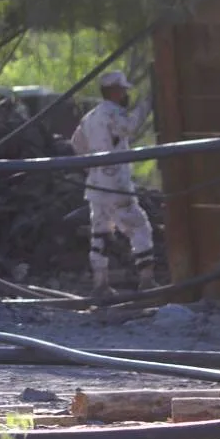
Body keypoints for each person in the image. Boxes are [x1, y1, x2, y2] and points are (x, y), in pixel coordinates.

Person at [70, 71, 155, 295]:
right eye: (123, 90)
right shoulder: (113, 114)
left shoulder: (89, 117)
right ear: (115, 91)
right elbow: (130, 126)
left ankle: (101, 284)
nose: (126, 94)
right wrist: (148, 103)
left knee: (100, 232)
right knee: (139, 226)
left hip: (95, 187)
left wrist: (92, 165)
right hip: (116, 185)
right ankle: (147, 280)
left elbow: (76, 142)